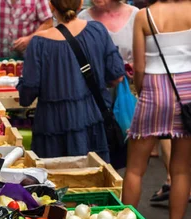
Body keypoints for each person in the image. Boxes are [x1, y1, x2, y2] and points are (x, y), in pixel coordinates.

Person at [122, 0, 191, 219]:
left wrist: (143, 93)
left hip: (154, 89)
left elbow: (139, 66)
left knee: (135, 169)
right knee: (182, 170)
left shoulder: (144, 16)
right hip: (188, 94)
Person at [16, 0, 125, 160]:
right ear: (80, 4)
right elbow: (117, 76)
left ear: (51, 6)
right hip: (92, 120)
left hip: (52, 127)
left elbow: (27, 96)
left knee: (53, 180)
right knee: (93, 179)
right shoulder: (97, 30)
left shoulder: (38, 43)